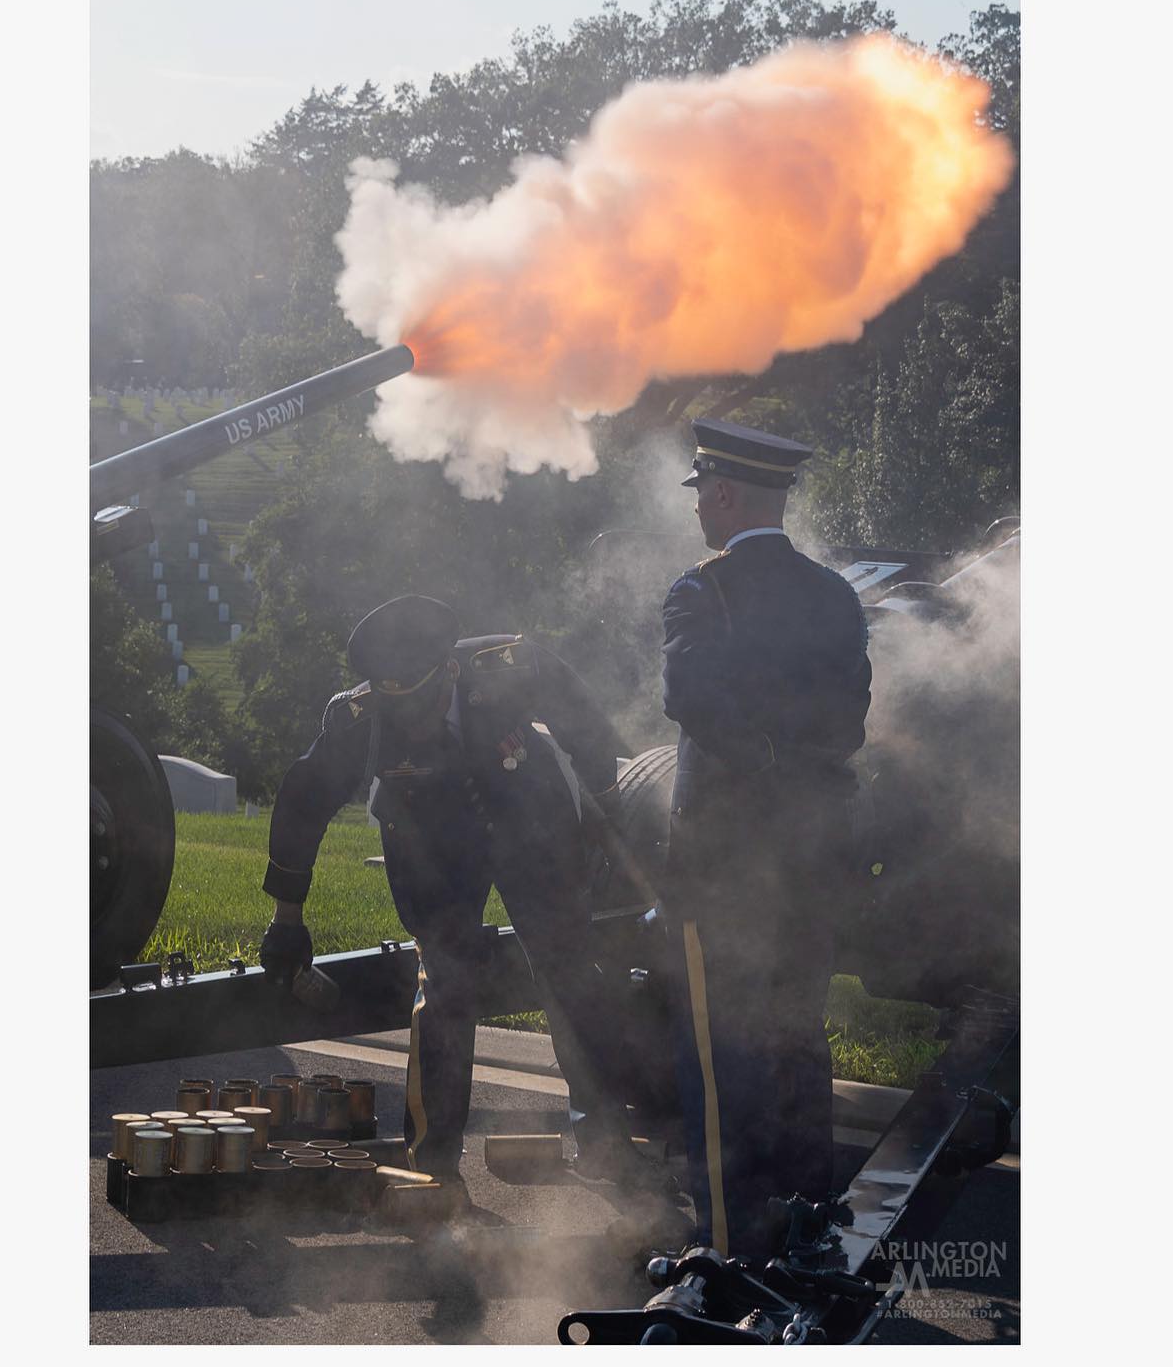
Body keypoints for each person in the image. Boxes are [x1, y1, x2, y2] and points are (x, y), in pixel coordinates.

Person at [258, 594, 665, 1194]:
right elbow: (301, 806)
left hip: (531, 816)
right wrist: (286, 918)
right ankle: (434, 1164)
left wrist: (605, 809)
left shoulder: (510, 666)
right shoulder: (360, 717)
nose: (411, 724)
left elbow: (586, 726)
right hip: (430, 841)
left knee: (569, 968)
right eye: (395, 706)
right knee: (446, 984)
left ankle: (605, 1143)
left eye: (419, 705)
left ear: (448, 671)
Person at [659, 418, 872, 1260]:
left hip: (721, 868)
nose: (700, 513)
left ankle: (728, 1240)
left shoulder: (699, 591)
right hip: (811, 858)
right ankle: (805, 1224)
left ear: (723, 494)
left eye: (703, 496)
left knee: (720, 1057)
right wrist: (797, 777)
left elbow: (690, 701)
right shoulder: (835, 594)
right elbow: (850, 721)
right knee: (797, 1037)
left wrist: (763, 767)